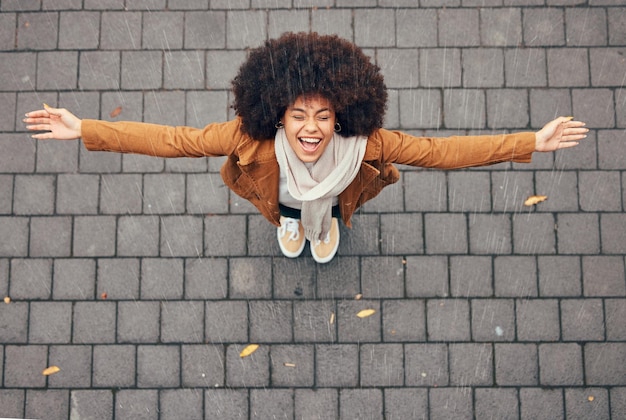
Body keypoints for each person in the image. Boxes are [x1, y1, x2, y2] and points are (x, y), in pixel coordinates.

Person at [23, 32, 588, 264]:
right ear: (279, 115)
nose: (312, 129)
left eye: (324, 115)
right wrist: (86, 129)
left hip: (337, 200)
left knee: (327, 222)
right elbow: (174, 140)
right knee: (290, 217)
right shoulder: (251, 136)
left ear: (342, 112)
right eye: (299, 116)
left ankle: (321, 230)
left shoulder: (369, 144)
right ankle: (295, 227)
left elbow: (441, 152)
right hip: (283, 200)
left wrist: (530, 142)